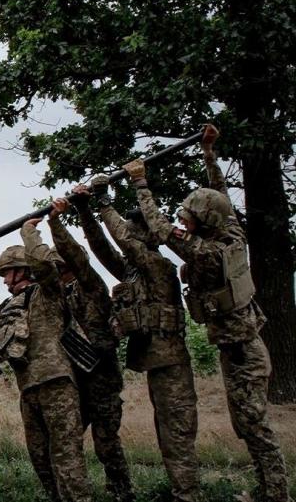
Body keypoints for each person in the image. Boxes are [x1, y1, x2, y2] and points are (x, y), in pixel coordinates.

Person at [124, 124, 291, 502]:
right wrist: (209, 152)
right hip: (239, 346)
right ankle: (268, 490)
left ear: (205, 222)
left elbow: (160, 228)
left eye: (189, 217)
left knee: (254, 425)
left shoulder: (207, 252)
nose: (184, 220)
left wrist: (140, 183)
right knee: (247, 423)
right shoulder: (231, 232)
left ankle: (276, 494)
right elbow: (221, 193)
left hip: (242, 352)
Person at [70, 179, 199, 502]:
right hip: (155, 360)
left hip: (170, 362)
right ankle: (181, 491)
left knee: (176, 433)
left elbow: (125, 243)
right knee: (167, 432)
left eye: (132, 229)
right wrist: (84, 211)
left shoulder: (157, 266)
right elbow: (102, 249)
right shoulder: (133, 271)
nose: (127, 231)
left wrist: (103, 201)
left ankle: (188, 494)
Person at [0, 218, 91, 502]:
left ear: (23, 270)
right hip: (28, 389)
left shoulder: (48, 293)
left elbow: (44, 266)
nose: (4, 280)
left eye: (7, 273)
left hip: (56, 383)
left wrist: (29, 232)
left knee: (66, 456)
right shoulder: (10, 304)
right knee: (40, 457)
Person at [47, 197, 134, 502]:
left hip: (102, 379)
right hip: (75, 380)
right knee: (66, 442)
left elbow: (77, 259)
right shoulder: (57, 297)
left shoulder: (92, 287)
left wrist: (55, 223)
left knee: (106, 444)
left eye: (60, 267)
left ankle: (122, 493)